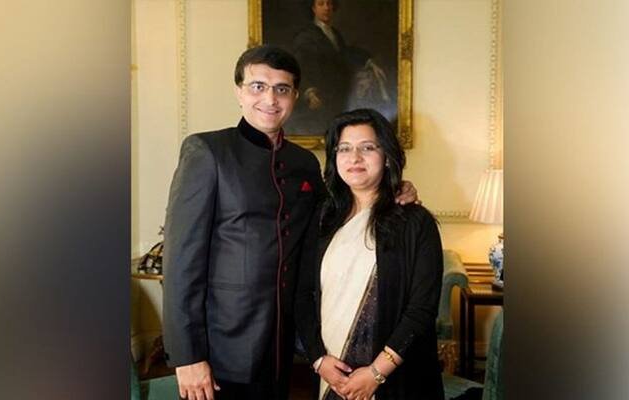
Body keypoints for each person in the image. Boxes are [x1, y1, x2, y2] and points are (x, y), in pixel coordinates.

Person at [161, 46, 418, 400]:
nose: (270, 99)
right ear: (239, 92)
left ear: (295, 96)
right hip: (221, 346)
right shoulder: (207, 151)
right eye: (258, 86)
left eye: (282, 89)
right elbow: (180, 261)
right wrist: (188, 356)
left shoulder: (304, 163)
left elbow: (341, 211)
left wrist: (397, 188)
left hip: (282, 346)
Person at [295, 108, 444, 399]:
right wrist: (319, 360)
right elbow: (302, 294)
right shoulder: (321, 218)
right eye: (344, 149)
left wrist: (376, 373)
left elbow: (422, 308)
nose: (355, 158)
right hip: (332, 374)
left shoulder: (415, 222)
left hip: (398, 380)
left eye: (367, 147)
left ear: (386, 156)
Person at [289, 0, 389, 135]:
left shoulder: (334, 33)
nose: (326, 8)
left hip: (338, 94)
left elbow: (344, 53)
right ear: (313, 8)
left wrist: (368, 60)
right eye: (321, 4)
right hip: (320, 97)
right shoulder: (306, 36)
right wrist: (309, 92)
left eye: (329, 4)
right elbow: (301, 66)